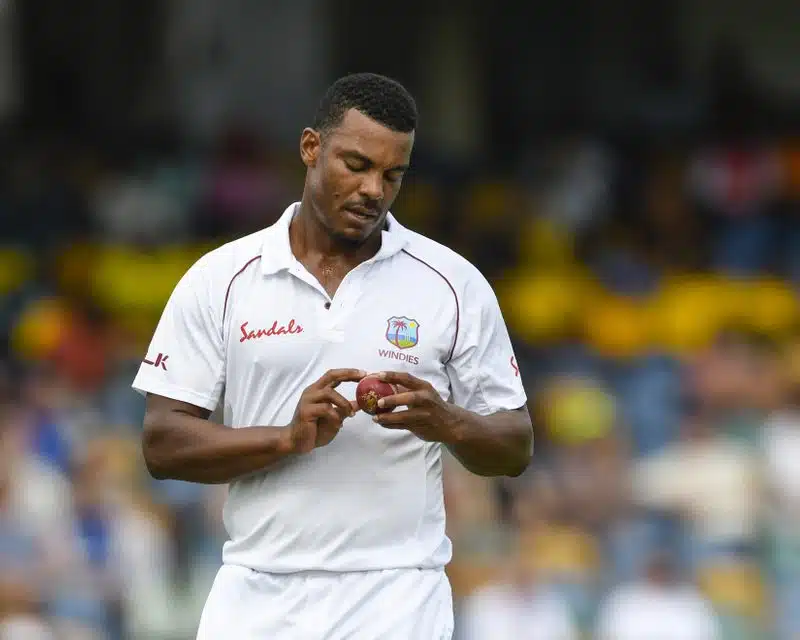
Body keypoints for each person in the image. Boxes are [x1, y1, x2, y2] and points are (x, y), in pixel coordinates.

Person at [132, 72, 533, 639]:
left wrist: (446, 422)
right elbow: (162, 444)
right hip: (258, 594)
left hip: (398, 596)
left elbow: (516, 445)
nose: (373, 189)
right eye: (357, 165)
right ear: (310, 147)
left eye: (393, 175)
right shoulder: (222, 278)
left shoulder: (452, 283)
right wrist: (285, 438)